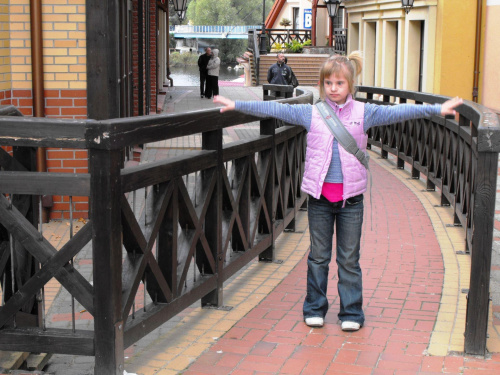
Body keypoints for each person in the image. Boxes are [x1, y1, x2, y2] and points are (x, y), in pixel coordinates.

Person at [213, 51, 463, 331]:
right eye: (328, 83)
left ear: (350, 85)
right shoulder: (312, 113)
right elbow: (276, 109)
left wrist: (435, 108)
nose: (333, 89)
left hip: (351, 201)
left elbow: (397, 112)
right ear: (322, 85)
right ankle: (315, 308)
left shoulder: (364, 113)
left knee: (348, 259)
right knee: (318, 257)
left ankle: (351, 313)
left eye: (339, 84)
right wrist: (237, 104)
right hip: (319, 199)